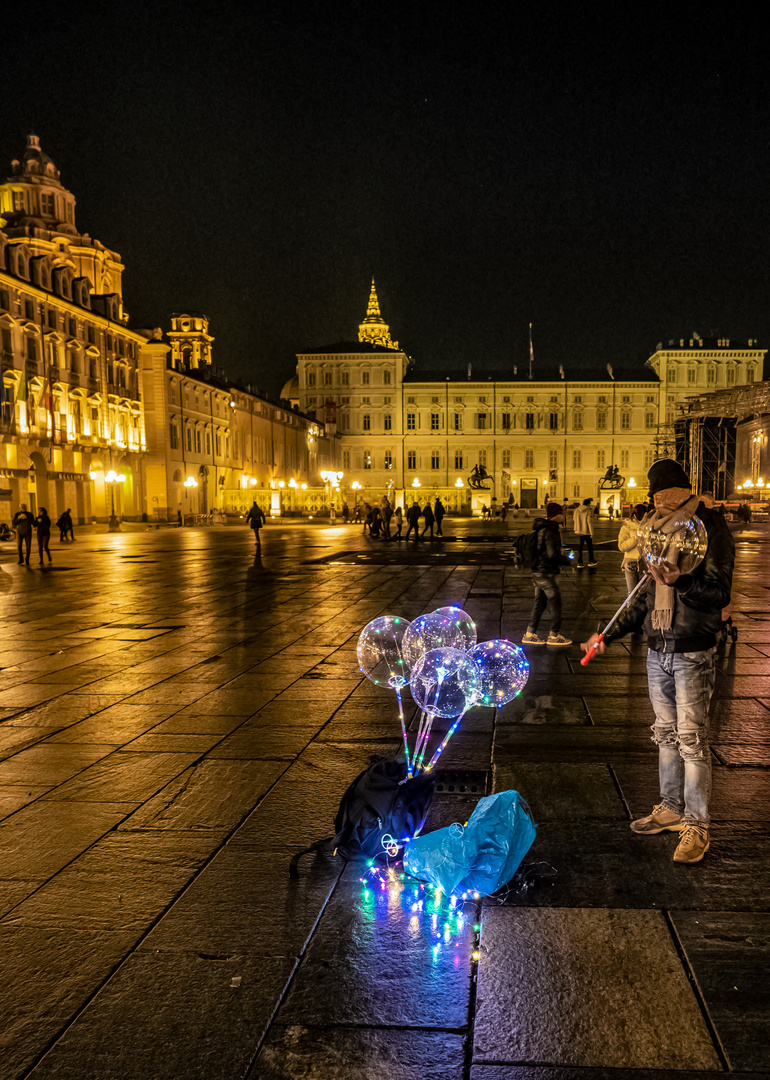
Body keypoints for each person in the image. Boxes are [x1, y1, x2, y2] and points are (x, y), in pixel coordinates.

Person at [580, 459, 734, 865]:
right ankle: (670, 809)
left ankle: (697, 826)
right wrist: (606, 636)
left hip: (693, 649)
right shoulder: (654, 527)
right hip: (657, 650)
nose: (660, 503)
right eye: (657, 497)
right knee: (664, 735)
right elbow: (643, 601)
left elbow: (718, 594)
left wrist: (678, 580)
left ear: (683, 492)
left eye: (667, 496)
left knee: (691, 739)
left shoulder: (710, 527)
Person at [522, 502, 573, 647]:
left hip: (537, 571)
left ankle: (530, 633)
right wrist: (567, 560)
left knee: (540, 603)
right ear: (556, 514)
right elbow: (552, 554)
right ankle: (554, 635)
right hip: (547, 573)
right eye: (561, 513)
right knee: (555, 603)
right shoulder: (551, 530)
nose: (563, 516)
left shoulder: (541, 528)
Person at [617, 503, 646, 594]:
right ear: (634, 515)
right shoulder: (626, 528)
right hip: (631, 561)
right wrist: (635, 538)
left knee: (645, 592)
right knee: (632, 593)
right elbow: (622, 547)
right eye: (638, 514)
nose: (640, 517)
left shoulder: (650, 527)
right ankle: (632, 608)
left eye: (643, 514)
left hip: (646, 561)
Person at [573, 498, 597, 568]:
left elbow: (574, 519)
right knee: (589, 546)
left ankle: (580, 562)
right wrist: (592, 532)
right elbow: (589, 522)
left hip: (579, 530)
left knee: (580, 546)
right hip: (586, 531)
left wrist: (576, 529)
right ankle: (591, 561)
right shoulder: (589, 510)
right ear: (589, 504)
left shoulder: (576, 510)